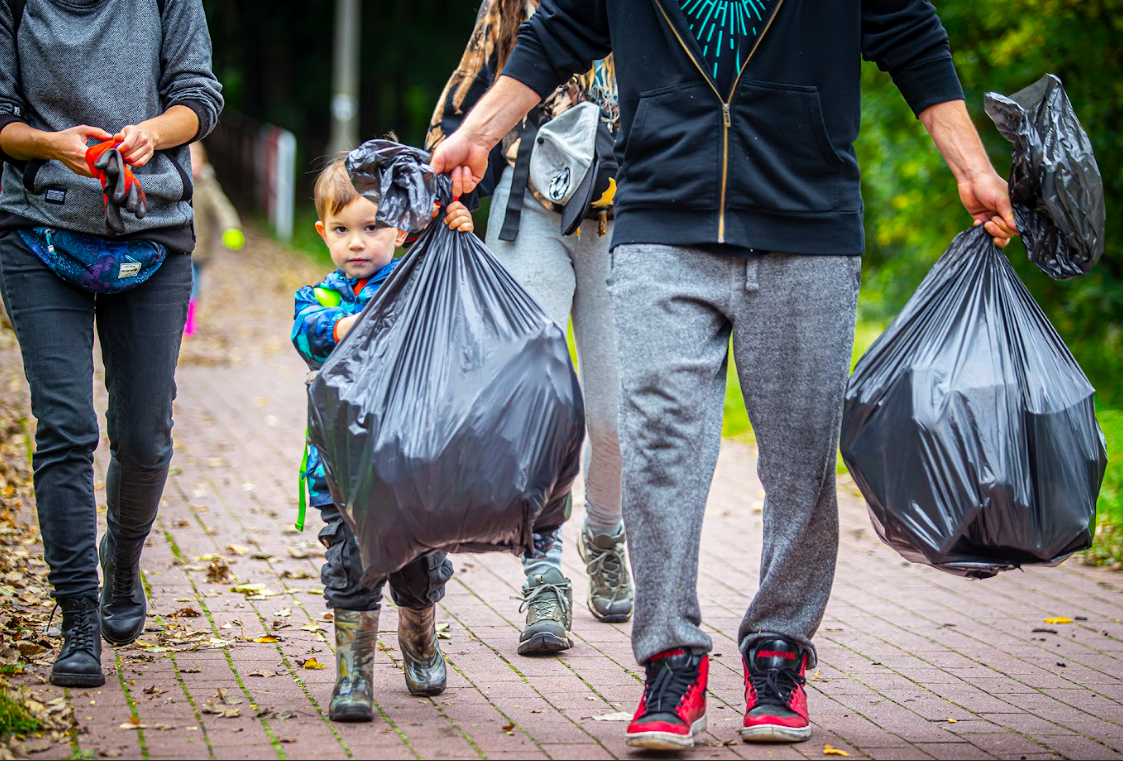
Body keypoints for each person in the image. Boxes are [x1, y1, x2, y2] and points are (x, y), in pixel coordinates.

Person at [431, 0, 1017, 750]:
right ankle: (670, 658)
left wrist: (971, 167)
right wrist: (476, 134)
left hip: (805, 224)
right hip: (661, 224)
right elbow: (558, 32)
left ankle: (778, 652)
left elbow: (909, 35)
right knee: (661, 450)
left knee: (798, 457)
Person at [0, 0, 223, 688]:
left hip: (152, 228)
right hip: (37, 228)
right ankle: (76, 615)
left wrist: (151, 134)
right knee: (67, 425)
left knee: (145, 432)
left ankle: (122, 562)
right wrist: (50, 142)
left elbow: (200, 97)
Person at [426, 0, 631, 658]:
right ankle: (542, 571)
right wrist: (443, 177)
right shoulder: (511, 4)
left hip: (623, 217)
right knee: (535, 402)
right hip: (529, 208)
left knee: (614, 414)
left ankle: (602, 533)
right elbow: (460, 100)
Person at [291, 157, 473, 722]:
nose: (357, 243)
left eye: (373, 228)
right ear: (323, 232)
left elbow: (458, 303)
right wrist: (346, 327)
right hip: (343, 475)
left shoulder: (420, 287)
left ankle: (419, 638)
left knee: (418, 570)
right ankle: (353, 676)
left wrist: (453, 235)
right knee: (351, 568)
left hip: (416, 469)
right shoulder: (318, 300)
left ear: (400, 230)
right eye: (342, 230)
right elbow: (310, 336)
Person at [184, 141, 243, 336]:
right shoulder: (176, 184)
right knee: (186, 282)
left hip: (200, 247)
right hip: (179, 245)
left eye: (196, 159)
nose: (193, 164)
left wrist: (231, 228)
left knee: (195, 284)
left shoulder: (207, 185)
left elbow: (222, 207)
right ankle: (184, 319)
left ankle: (189, 317)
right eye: (188, 159)